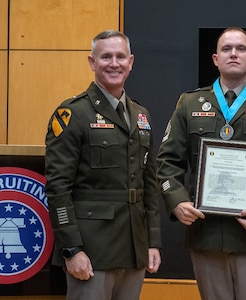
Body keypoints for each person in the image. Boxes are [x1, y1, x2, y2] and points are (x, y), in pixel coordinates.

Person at [156, 27, 246, 300]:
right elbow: (167, 161)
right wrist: (176, 200)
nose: (233, 54)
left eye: (241, 49)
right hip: (206, 233)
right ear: (215, 58)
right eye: (226, 49)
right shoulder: (189, 104)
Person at [44, 30, 161, 300]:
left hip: (134, 247)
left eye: (120, 56)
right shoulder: (73, 113)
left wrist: (152, 242)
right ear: (92, 62)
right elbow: (58, 187)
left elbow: (149, 185)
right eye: (105, 56)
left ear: (131, 61)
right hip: (91, 250)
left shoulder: (141, 115)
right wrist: (71, 249)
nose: (114, 63)